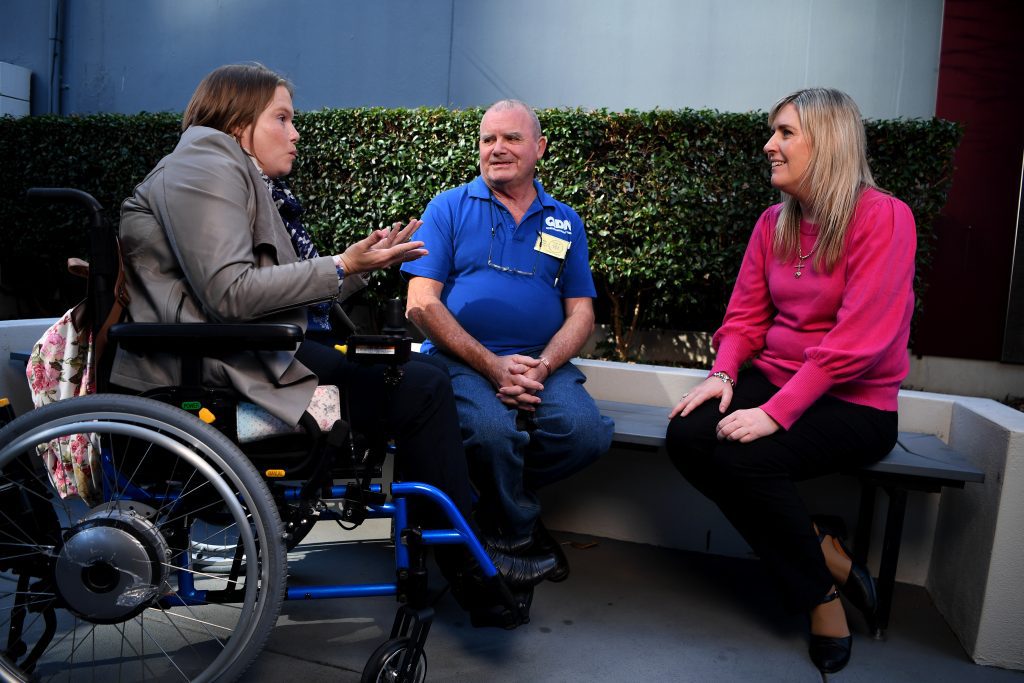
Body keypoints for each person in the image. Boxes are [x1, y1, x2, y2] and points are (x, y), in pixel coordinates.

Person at [109, 64, 548, 610]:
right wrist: (341, 264)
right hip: (222, 391)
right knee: (420, 390)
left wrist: (361, 267)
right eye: (283, 118)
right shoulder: (206, 162)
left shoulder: (223, 169)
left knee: (420, 378)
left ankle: (455, 551)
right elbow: (231, 294)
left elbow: (276, 293)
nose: (296, 133)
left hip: (249, 360)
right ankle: (469, 563)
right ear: (239, 119)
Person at [665, 88, 915, 674]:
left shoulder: (884, 216)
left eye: (784, 133)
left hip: (857, 402)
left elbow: (859, 340)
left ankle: (819, 600)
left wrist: (775, 413)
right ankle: (823, 551)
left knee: (744, 459)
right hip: (776, 378)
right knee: (687, 436)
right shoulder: (773, 223)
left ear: (826, 143)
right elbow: (746, 318)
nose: (768, 145)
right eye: (773, 132)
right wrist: (724, 373)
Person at [403, 99, 614, 585]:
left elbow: (581, 312)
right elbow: (421, 302)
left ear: (539, 147)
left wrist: (540, 366)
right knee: (494, 434)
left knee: (586, 433)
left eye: (511, 138)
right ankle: (518, 534)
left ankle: (491, 504)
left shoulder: (563, 220)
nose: (496, 149)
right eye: (487, 139)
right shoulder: (449, 208)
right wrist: (493, 366)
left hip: (543, 363)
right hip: (461, 360)